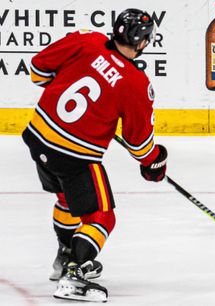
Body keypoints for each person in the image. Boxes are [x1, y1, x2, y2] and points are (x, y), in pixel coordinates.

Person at [22, 8, 167, 302]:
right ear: (142, 43)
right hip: (73, 155)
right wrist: (155, 161)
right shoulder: (136, 83)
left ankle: (65, 255)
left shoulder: (87, 40)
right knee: (101, 217)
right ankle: (74, 274)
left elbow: (38, 70)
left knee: (66, 199)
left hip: (38, 139)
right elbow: (139, 145)